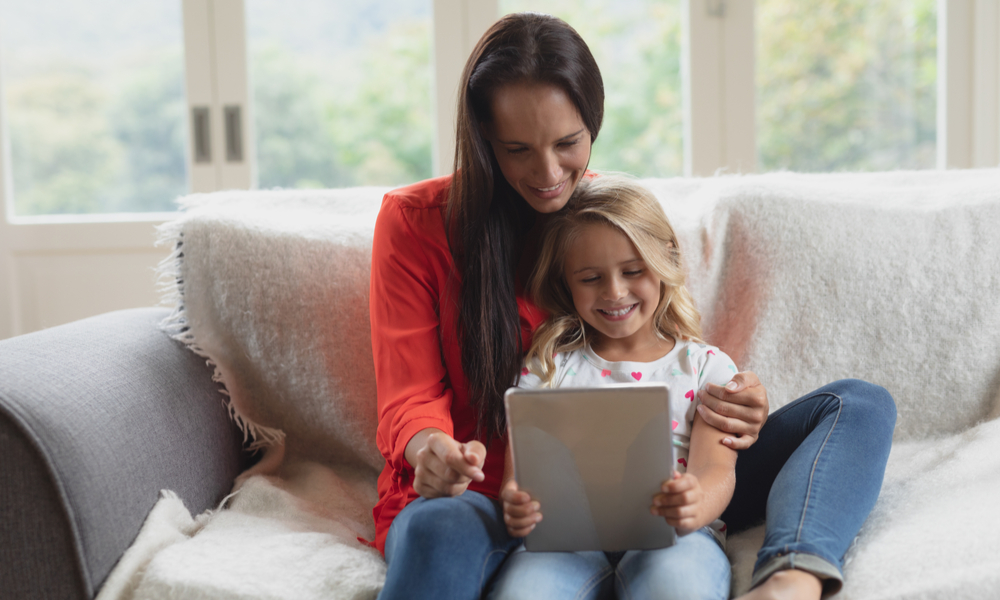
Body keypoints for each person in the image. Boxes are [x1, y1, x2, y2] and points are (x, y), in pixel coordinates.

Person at [368, 12, 896, 600]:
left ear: (593, 123)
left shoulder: (596, 213)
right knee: (438, 526)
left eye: (568, 143)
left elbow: (672, 355)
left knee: (858, 405)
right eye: (517, 149)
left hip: (670, 486)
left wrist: (742, 406)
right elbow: (409, 397)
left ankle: (793, 576)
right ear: (483, 140)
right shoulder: (417, 224)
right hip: (506, 497)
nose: (548, 174)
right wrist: (431, 450)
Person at [492, 174, 738, 600]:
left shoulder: (705, 368)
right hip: (567, 542)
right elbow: (518, 478)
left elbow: (716, 469)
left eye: (633, 271)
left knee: (677, 587)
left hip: (675, 536)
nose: (615, 292)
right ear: (565, 281)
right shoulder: (548, 367)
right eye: (590, 278)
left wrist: (695, 503)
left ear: (665, 261)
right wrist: (515, 502)